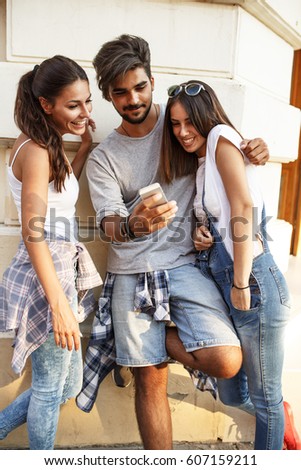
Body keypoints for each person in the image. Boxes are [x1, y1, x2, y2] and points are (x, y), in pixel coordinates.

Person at [77, 34, 269, 450]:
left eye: (140, 86)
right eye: (120, 92)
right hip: (131, 271)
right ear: (108, 95)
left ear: (151, 79)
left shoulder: (179, 122)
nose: (133, 99)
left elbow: (223, 151)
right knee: (151, 376)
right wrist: (133, 226)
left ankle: (126, 344)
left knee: (226, 359)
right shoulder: (104, 158)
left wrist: (254, 145)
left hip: (185, 265)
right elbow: (109, 222)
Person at [159, 79, 300, 450]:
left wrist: (240, 283)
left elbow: (242, 208)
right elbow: (223, 217)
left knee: (265, 399)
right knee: (233, 394)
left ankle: (275, 421)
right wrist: (202, 234)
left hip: (252, 282)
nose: (183, 132)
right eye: (175, 124)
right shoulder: (205, 159)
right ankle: (280, 413)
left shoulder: (221, 137)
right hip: (229, 283)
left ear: (206, 116)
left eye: (189, 122)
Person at [0, 55, 102, 450]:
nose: (85, 112)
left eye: (87, 102)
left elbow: (57, 196)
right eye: (73, 105)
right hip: (49, 275)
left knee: (70, 382)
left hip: (61, 267)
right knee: (48, 387)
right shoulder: (37, 151)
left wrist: (84, 147)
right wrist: (59, 304)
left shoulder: (46, 144)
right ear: (46, 104)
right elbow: (33, 230)